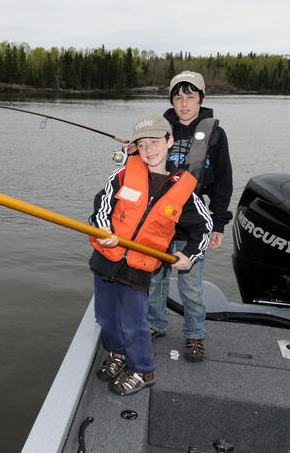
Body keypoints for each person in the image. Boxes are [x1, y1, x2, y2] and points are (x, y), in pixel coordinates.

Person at [89, 114, 212, 396]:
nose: (149, 150)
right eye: (142, 145)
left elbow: (204, 226)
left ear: (169, 142)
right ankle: (118, 353)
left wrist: (190, 255)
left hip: (140, 265)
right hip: (107, 256)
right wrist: (104, 228)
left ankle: (143, 369)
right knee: (106, 317)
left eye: (155, 142)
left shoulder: (183, 188)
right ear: (135, 148)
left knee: (133, 323)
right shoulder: (122, 174)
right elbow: (102, 206)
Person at [147, 70, 233, 362]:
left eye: (190, 96)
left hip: (193, 226)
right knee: (153, 282)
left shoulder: (215, 134)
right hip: (158, 223)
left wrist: (218, 222)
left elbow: (223, 182)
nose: (184, 103)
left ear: (202, 99)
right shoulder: (158, 131)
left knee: (191, 288)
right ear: (171, 100)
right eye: (178, 97)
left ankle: (194, 334)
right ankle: (155, 324)